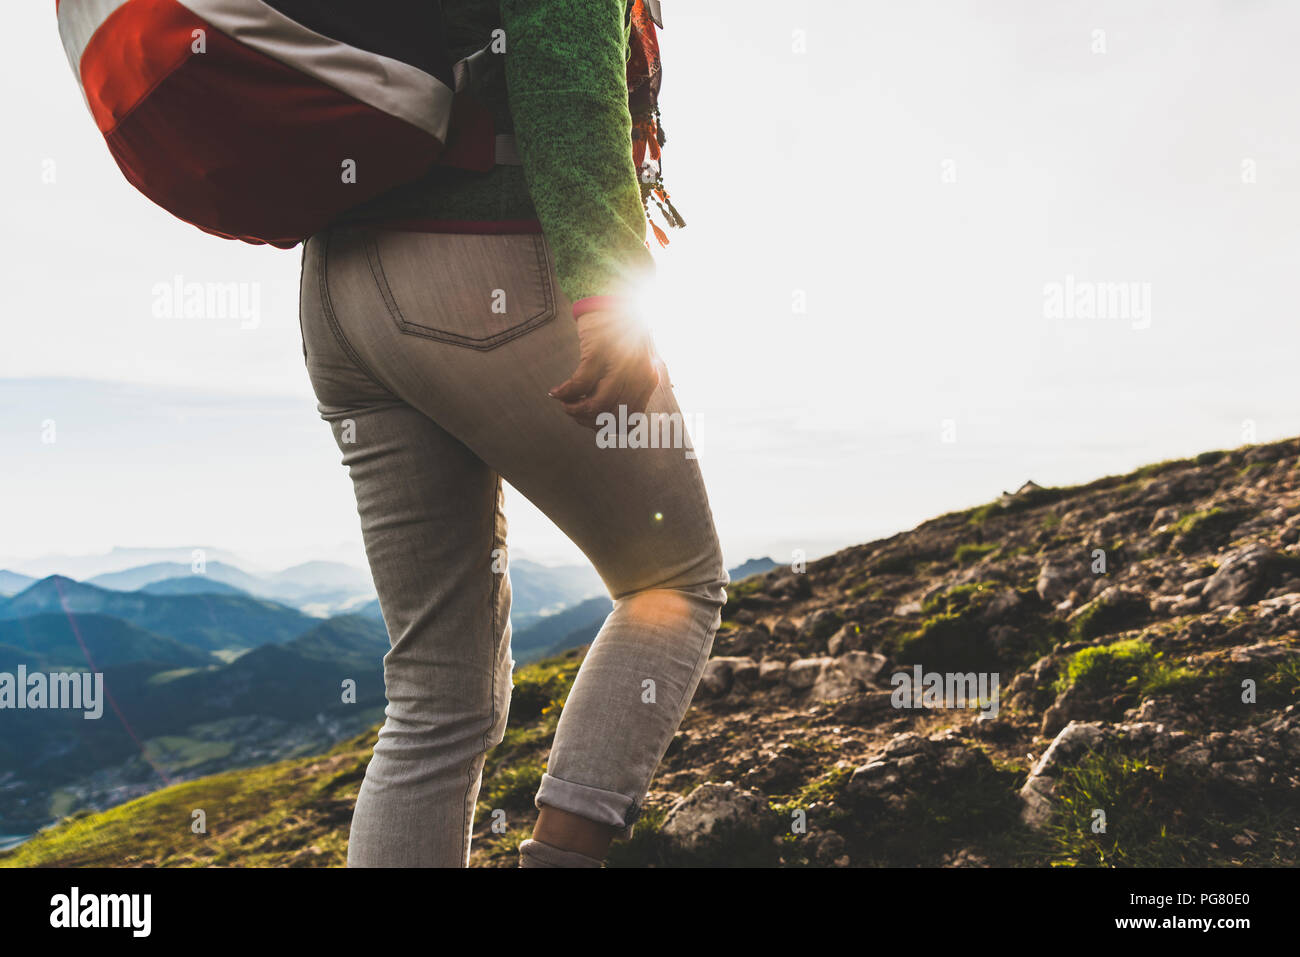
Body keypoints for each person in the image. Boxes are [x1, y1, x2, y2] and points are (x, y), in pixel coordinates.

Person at [296, 0, 727, 867]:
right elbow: (566, 66)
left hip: (336, 293)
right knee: (673, 581)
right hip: (477, 254)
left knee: (435, 694)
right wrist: (611, 290)